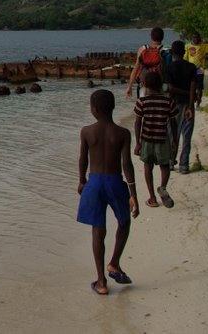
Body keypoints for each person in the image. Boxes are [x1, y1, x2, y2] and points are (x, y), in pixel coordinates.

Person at [77, 89, 139, 295]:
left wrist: (81, 180)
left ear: (93, 109)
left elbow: (83, 159)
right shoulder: (122, 133)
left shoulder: (86, 131)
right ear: (112, 107)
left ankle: (101, 282)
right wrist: (133, 194)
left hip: (94, 183)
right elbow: (126, 164)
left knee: (98, 231)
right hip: (114, 182)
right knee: (124, 222)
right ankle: (114, 263)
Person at [134, 71, 178, 208]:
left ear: (145, 85)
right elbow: (173, 123)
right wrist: (175, 141)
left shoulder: (142, 101)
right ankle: (163, 187)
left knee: (148, 167)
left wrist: (137, 143)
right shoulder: (168, 101)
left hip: (147, 139)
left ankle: (152, 198)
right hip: (162, 139)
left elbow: (137, 123)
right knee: (165, 165)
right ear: (161, 85)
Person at [165, 40, 199, 173]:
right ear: (184, 52)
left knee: (172, 135)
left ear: (172, 53)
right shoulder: (191, 67)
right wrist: (191, 105)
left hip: (173, 105)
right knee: (187, 136)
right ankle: (184, 165)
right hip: (188, 103)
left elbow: (170, 88)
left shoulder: (169, 68)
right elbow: (193, 87)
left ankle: (170, 162)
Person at [125, 27, 166, 99]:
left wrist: (129, 87)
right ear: (162, 37)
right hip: (159, 86)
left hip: (143, 85)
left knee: (143, 106)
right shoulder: (164, 50)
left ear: (151, 36)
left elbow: (136, 69)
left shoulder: (142, 49)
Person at [184, 34, 208, 108]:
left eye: (198, 38)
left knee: (200, 87)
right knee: (190, 86)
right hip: (190, 69)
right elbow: (185, 58)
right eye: (194, 37)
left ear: (200, 38)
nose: (196, 39)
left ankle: (198, 103)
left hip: (200, 69)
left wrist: (206, 41)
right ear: (192, 38)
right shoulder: (187, 46)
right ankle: (191, 101)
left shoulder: (204, 46)